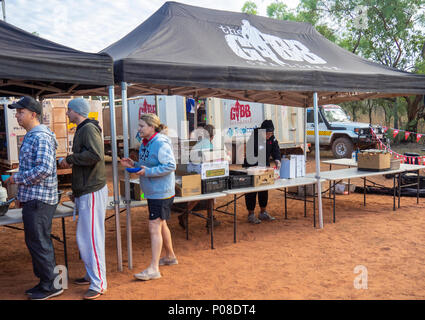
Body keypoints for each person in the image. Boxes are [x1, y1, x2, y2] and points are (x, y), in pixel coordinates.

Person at [6, 96, 62, 300]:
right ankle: (46, 282)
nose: (17, 115)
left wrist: (17, 178)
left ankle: (51, 286)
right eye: (17, 112)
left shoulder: (40, 136)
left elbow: (45, 169)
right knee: (37, 241)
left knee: (39, 242)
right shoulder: (34, 135)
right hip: (35, 197)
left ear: (33, 114)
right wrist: (22, 192)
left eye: (20, 112)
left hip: (40, 200)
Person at [59, 98, 108, 300]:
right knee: (86, 238)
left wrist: (70, 159)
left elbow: (95, 155)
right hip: (86, 189)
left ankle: (99, 283)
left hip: (92, 190)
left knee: (92, 239)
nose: (67, 113)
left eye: (69, 110)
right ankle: (92, 275)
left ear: (76, 111)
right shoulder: (84, 128)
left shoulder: (87, 129)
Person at [120, 113, 178, 281]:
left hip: (161, 191)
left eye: (141, 126)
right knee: (161, 223)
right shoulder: (146, 143)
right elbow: (150, 164)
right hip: (154, 191)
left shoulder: (160, 142)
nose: (138, 129)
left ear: (152, 127)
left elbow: (170, 165)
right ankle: (170, 256)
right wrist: (134, 164)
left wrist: (148, 172)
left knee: (154, 226)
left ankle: (154, 268)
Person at [243, 120, 281, 224]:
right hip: (252, 167)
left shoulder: (272, 138)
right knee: (251, 191)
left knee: (264, 189)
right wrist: (258, 168)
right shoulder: (254, 138)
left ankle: (263, 212)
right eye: (267, 134)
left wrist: (277, 159)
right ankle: (251, 214)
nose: (269, 136)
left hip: (264, 167)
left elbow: (276, 148)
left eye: (271, 133)